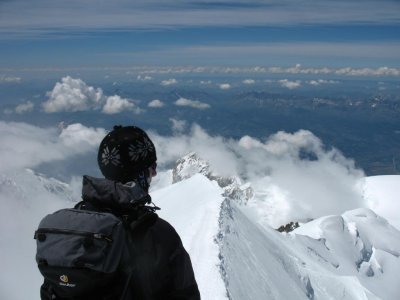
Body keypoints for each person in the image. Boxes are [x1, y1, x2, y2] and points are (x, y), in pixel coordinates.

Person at [40, 125, 200, 300]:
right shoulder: (159, 234)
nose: (154, 173)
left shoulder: (70, 231)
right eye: (151, 166)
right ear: (140, 172)